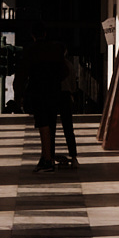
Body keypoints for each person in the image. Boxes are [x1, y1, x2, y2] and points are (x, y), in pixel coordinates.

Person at [25, 29, 62, 172]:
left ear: (32, 35)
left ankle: (47, 160)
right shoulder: (54, 49)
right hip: (54, 92)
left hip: (38, 92)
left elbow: (23, 71)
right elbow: (64, 70)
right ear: (45, 34)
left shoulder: (31, 50)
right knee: (51, 125)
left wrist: (19, 93)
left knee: (43, 124)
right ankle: (47, 156)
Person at [56, 40, 80, 169]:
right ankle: (73, 156)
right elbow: (73, 85)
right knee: (68, 128)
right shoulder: (69, 65)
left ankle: (49, 155)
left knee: (51, 128)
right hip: (66, 96)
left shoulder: (53, 65)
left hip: (54, 96)